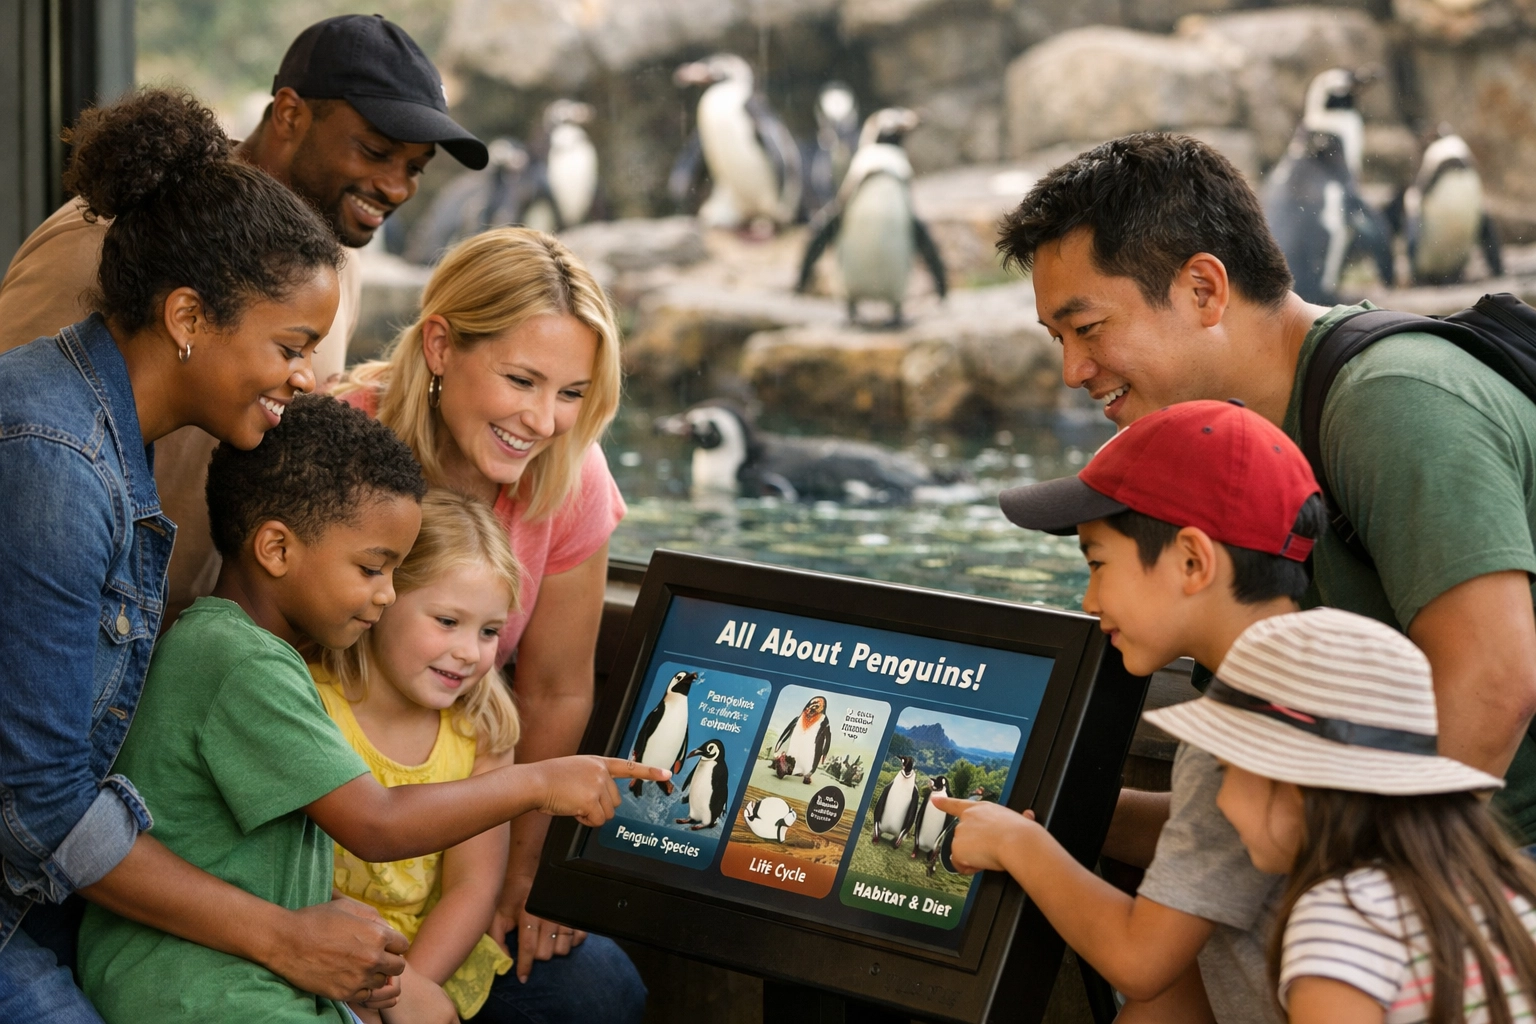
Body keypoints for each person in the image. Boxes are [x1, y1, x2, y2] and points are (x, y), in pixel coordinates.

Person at [996, 132, 1536, 1016]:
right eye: (1058, 337)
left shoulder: (1393, 401)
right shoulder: (1225, 459)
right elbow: (1273, 800)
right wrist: (1057, 813)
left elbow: (1494, 685)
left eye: (1088, 328)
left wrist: (1359, 919)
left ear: (1205, 288)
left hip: (1488, 867)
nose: (1072, 371)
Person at [0, 90, 409, 1024]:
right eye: (290, 345)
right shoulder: (54, 460)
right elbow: (42, 811)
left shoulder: (107, 430)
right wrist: (280, 934)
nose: (307, 377)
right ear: (188, 315)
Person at [76, 395, 666, 1024]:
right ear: (276, 550)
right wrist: (542, 781)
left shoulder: (241, 649)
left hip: (246, 971)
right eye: (373, 569)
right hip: (194, 982)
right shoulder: (237, 660)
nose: (387, 596)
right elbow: (376, 825)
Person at [0, 13, 489, 625]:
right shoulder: (106, 236)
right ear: (288, 113)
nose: (396, 186)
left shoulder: (338, 268)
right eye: (375, 150)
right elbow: (22, 428)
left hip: (176, 637)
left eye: (415, 168)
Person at [932, 399, 1324, 1024]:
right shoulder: (1325, 675)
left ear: (1192, 562)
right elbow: (1216, 836)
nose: (1088, 601)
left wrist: (1018, 844)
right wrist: (1080, 813)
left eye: (1097, 565)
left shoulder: (1238, 729)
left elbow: (1141, 959)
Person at [336, 226, 643, 1015]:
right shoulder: (340, 439)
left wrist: (521, 877)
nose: (545, 421)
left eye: (572, 394)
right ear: (440, 345)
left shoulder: (571, 476)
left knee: (595, 990)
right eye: (522, 380)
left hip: (460, 812)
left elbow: (554, 689)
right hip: (316, 809)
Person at [1143, 608, 1535, 1024]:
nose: (1220, 802)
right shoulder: (1505, 891)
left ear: (1293, 782)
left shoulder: (1342, 920)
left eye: (1226, 772)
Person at [312, 489, 524, 1021]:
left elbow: (472, 887)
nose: (469, 652)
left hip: (427, 954)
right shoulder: (310, 701)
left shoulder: (484, 732)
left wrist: (411, 990)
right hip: (321, 943)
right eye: (448, 621)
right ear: (384, 600)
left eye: (490, 631)